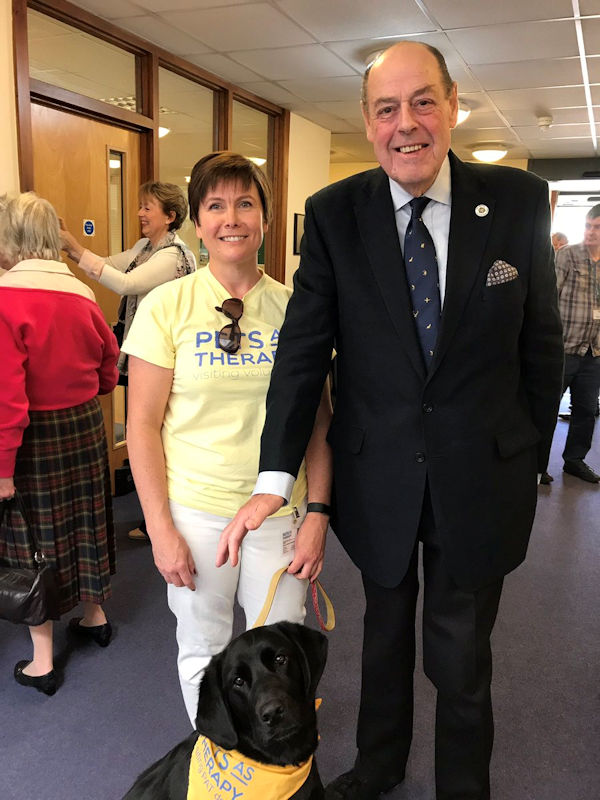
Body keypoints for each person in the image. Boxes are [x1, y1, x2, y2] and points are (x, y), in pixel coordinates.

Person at [218, 42, 564, 800]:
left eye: (422, 102)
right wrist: (278, 478)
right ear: (368, 122)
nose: (405, 124)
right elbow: (305, 356)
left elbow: (542, 349)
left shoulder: (515, 202)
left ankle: (462, 786)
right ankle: (378, 767)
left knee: (462, 650)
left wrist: (522, 450)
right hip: (378, 475)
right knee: (383, 634)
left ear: (452, 106)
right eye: (386, 108)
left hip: (481, 477)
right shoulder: (339, 216)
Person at [121, 152, 332, 726]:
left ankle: (278, 768)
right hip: (196, 513)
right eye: (215, 205)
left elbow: (317, 421)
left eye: (245, 203)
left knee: (282, 653)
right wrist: (160, 528)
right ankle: (218, 768)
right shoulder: (167, 306)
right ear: (196, 221)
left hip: (279, 515)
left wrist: (317, 514)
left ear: (264, 218)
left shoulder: (294, 309)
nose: (231, 218)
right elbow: (141, 425)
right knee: (205, 652)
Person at [0, 192, 120, 696]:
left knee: (34, 540)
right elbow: (110, 364)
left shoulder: (5, 299)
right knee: (86, 519)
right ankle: (94, 616)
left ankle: (43, 661)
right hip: (85, 426)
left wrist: (3, 470)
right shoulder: (81, 295)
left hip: (32, 438)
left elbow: (7, 400)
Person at [61, 181, 196, 541]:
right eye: (140, 206)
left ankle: (167, 519)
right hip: (148, 354)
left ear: (169, 216)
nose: (139, 213)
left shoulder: (173, 255)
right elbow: (106, 266)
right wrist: (73, 251)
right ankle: (155, 516)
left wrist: (73, 246)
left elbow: (124, 284)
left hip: (169, 357)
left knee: (160, 434)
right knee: (147, 431)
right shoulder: (144, 248)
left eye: (148, 207)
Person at [551, 205, 600, 483]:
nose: (591, 232)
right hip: (565, 347)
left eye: (597, 227)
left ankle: (575, 460)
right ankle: (536, 465)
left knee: (586, 409)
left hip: (594, 352)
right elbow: (549, 299)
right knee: (547, 408)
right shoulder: (568, 255)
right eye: (588, 225)